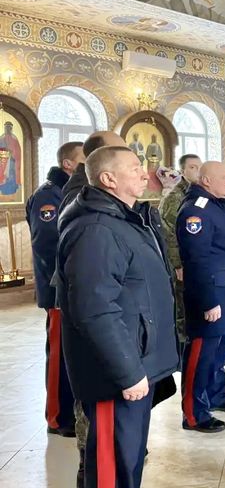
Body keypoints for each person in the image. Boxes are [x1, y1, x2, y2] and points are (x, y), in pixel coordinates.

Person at [55, 146, 179, 488]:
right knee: (113, 468)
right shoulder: (96, 229)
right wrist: (127, 372)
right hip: (116, 374)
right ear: (108, 179)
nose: (145, 173)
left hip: (135, 361)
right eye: (134, 167)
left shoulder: (125, 218)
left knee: (128, 461)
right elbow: (94, 310)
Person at [57, 130, 128, 486]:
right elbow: (91, 291)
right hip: (92, 314)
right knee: (95, 407)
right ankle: (91, 461)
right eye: (122, 150)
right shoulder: (84, 197)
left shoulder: (97, 194)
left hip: (110, 307)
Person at [177, 162, 225, 433]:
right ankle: (194, 413)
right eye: (223, 177)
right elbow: (197, 260)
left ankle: (216, 395)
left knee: (219, 353)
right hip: (211, 296)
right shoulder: (196, 211)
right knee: (201, 355)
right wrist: (208, 301)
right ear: (206, 180)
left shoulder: (221, 205)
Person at [25, 141, 84, 438]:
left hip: (76, 288)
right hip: (59, 289)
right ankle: (58, 416)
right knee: (60, 355)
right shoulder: (48, 195)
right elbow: (48, 245)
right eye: (83, 159)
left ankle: (73, 408)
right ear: (68, 164)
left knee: (73, 354)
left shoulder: (73, 191)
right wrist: (63, 284)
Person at [158, 153, 203, 346]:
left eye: (200, 166)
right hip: (182, 262)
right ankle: (183, 348)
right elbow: (169, 233)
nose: (198, 170)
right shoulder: (175, 197)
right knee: (183, 307)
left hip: (197, 260)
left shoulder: (200, 194)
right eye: (193, 167)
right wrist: (177, 264)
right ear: (182, 171)